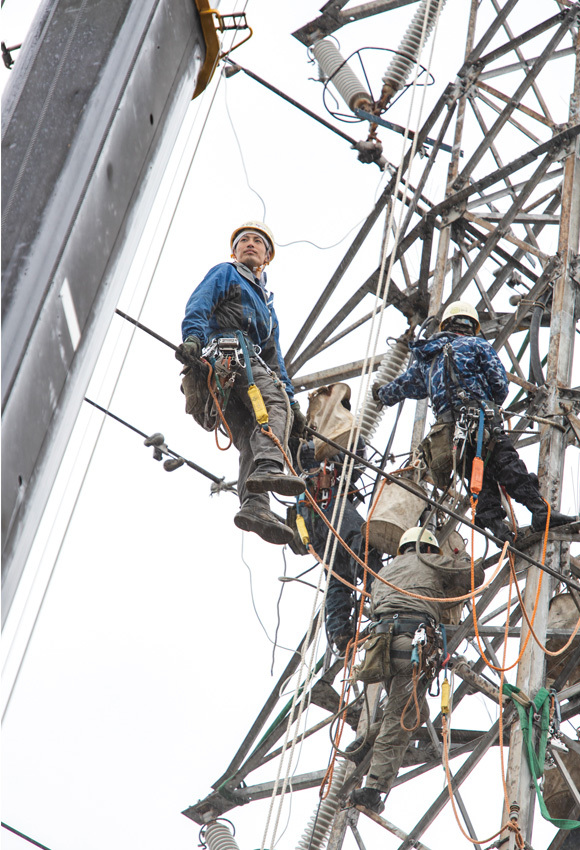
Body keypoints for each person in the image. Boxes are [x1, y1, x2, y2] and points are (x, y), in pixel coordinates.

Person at [372, 301, 577, 544]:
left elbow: (400, 388)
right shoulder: (476, 345)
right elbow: (500, 385)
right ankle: (541, 512)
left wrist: (380, 394)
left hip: (449, 436)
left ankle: (498, 529)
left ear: (446, 324)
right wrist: (488, 402)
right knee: (506, 464)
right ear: (472, 326)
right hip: (479, 421)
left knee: (478, 477)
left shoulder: (426, 360)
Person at [176, 221, 307, 546]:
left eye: (257, 241)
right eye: (244, 240)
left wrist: (293, 403)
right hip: (229, 357)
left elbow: (276, 362)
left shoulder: (267, 306)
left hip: (240, 371)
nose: (250, 244)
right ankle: (269, 466)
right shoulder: (226, 273)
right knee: (272, 404)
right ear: (233, 251)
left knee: (252, 435)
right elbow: (200, 304)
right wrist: (192, 338)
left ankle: (254, 506)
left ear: (267, 256)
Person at [349, 526, 484, 814]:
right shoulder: (429, 560)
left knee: (417, 711)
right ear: (428, 548)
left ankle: (367, 739)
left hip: (380, 649)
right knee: (402, 718)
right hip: (412, 646)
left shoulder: (384, 572)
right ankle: (374, 787)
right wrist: (461, 557)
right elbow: (473, 576)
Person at [293, 437, 382, 653]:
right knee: (363, 544)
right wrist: (352, 433)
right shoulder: (321, 446)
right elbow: (356, 459)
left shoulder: (305, 451)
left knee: (338, 574)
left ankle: (340, 633)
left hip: (312, 524)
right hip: (327, 504)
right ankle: (381, 596)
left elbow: (352, 465)